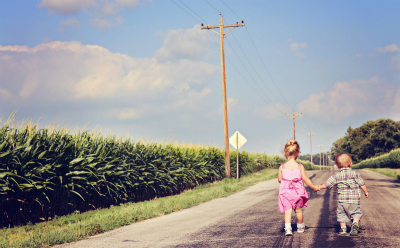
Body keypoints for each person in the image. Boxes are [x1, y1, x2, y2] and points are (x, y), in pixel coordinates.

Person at [318, 153, 369, 236]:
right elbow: (362, 183)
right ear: (351, 163)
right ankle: (355, 224)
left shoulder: (337, 176)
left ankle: (343, 229)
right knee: (356, 213)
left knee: (342, 214)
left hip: (342, 201)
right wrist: (366, 191)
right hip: (354, 201)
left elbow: (327, 184)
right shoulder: (355, 174)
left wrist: (319, 187)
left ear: (337, 165)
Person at [278, 140, 320, 236]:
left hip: (286, 193)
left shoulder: (282, 167)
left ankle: (288, 228)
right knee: (298, 210)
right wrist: (314, 187)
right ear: (298, 154)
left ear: (285, 153)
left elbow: (280, 180)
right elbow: (305, 179)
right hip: (298, 192)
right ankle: (300, 226)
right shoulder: (300, 166)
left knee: (287, 211)